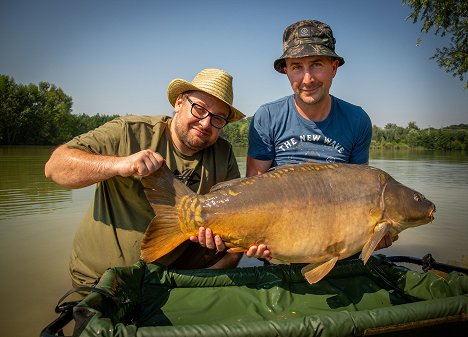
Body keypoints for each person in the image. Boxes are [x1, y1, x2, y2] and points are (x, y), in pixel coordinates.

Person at [45, 68, 267, 288]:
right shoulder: (129, 132)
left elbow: (235, 219)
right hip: (101, 279)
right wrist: (119, 164)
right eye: (199, 109)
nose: (206, 123)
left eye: (218, 118)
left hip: (172, 280)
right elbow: (55, 167)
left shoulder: (222, 152)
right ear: (179, 102)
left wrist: (247, 242)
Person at [247, 20, 395, 249]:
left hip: (335, 243)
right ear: (286, 70)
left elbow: (362, 192)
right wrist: (254, 236)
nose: (308, 79)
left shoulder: (357, 121)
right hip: (280, 239)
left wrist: (370, 234)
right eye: (297, 66)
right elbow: (252, 194)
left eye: (316, 64)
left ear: (333, 68)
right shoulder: (267, 117)